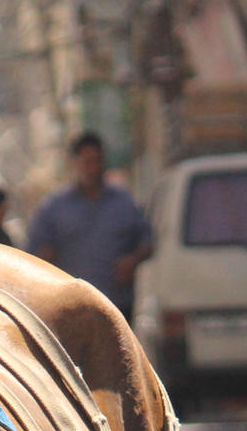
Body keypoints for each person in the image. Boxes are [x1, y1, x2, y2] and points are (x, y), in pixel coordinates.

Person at [26, 131, 153, 317]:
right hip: (72, 311)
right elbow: (35, 255)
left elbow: (147, 241)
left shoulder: (123, 203)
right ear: (74, 164)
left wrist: (132, 261)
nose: (92, 169)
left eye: (96, 162)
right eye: (86, 162)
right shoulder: (54, 208)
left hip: (116, 307)